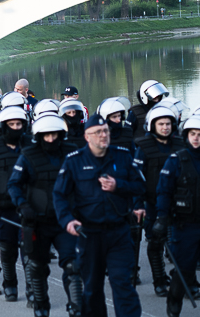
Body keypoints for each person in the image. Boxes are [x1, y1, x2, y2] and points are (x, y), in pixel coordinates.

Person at [53, 114, 145, 317]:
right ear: (87, 136)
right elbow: (59, 195)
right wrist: (67, 220)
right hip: (89, 234)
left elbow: (140, 186)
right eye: (98, 132)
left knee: (123, 284)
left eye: (105, 131)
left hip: (119, 233)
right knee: (92, 289)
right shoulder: (74, 161)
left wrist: (118, 186)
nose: (103, 135)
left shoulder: (123, 156)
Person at [8, 114, 81, 317]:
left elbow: (83, 180)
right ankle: (41, 306)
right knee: (37, 266)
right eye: (46, 135)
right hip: (36, 221)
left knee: (73, 266)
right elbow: (14, 184)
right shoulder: (27, 155)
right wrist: (22, 205)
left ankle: (76, 308)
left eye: (54, 135)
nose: (51, 139)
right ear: (39, 136)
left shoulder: (72, 152)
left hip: (65, 220)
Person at [134, 103, 184, 298]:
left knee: (181, 243)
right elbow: (137, 178)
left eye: (168, 124)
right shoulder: (143, 147)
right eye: (161, 124)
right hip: (152, 204)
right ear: (152, 125)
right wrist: (138, 205)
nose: (165, 127)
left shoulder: (181, 144)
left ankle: (185, 280)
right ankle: (159, 280)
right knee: (156, 242)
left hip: (180, 203)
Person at [0, 106, 31, 302]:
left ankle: (33, 289)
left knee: (29, 250)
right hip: (3, 208)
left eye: (19, 124)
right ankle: (10, 284)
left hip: (27, 206)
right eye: (12, 124)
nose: (16, 128)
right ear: (4, 126)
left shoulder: (31, 145)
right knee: (7, 249)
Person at [154, 115, 200, 317]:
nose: (197, 138)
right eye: (193, 134)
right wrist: (161, 220)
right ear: (186, 135)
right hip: (185, 227)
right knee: (184, 271)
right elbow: (164, 192)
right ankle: (173, 306)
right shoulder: (176, 160)